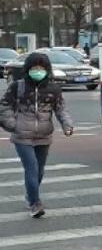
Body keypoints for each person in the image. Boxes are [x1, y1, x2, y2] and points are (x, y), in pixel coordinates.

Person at [0, 52, 75, 218]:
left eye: (41, 68)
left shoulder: (53, 89)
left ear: (47, 69)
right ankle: (35, 203)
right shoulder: (17, 87)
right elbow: (4, 107)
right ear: (28, 69)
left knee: (39, 171)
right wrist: (12, 125)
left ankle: (30, 195)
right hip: (22, 136)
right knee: (31, 168)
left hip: (44, 135)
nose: (38, 71)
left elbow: (61, 110)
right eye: (35, 67)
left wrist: (67, 126)